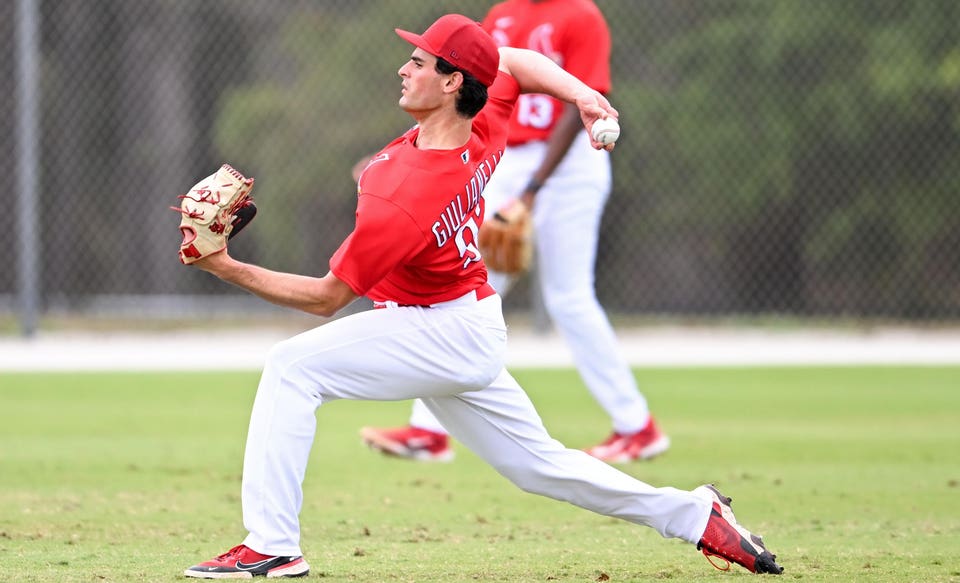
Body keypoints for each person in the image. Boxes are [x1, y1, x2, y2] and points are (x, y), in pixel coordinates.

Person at [181, 14, 783, 578]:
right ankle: (695, 514)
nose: (404, 69)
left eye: (419, 62)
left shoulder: (404, 194)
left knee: (291, 368)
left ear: (451, 83)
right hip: (465, 324)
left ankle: (272, 548)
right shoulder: (483, 121)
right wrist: (581, 93)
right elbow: (514, 63)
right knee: (539, 466)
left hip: (434, 330)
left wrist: (222, 264)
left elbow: (325, 297)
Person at [360, 0, 668, 465]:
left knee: (569, 298)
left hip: (568, 163)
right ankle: (428, 431)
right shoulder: (503, 13)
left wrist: (532, 191)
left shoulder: (580, 15)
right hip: (507, 155)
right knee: (465, 284)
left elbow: (581, 103)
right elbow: (463, 89)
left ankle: (636, 426)